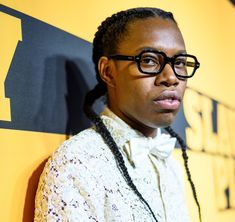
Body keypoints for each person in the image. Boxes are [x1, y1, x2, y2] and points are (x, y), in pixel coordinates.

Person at [34, 7, 202, 222]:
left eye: (179, 63)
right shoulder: (78, 164)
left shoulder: (171, 165)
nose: (171, 77)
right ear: (108, 71)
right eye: (149, 60)